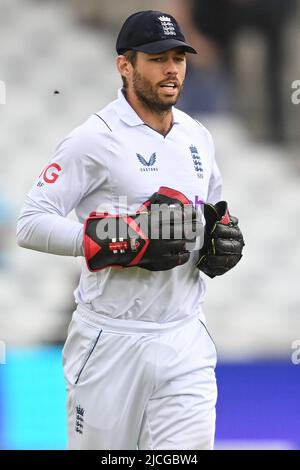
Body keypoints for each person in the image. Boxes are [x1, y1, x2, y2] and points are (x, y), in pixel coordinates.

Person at [16, 10, 244, 450]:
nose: (172, 68)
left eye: (179, 57)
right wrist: (114, 241)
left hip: (185, 338)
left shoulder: (198, 137)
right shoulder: (93, 138)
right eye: (158, 58)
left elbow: (213, 213)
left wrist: (222, 241)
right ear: (125, 65)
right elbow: (31, 223)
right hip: (110, 341)